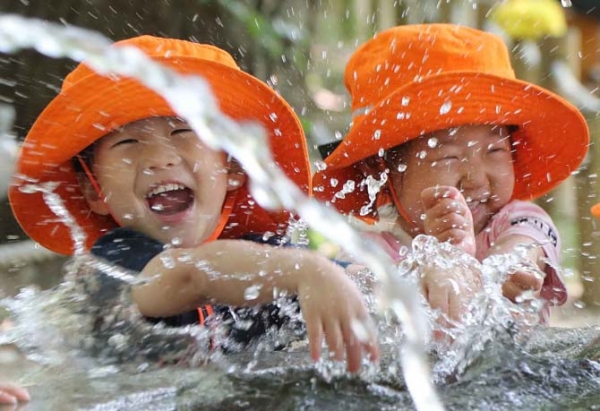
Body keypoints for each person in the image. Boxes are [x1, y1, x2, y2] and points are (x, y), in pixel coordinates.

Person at [8, 35, 378, 372]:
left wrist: (407, 282)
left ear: (231, 166)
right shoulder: (115, 260)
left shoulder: (266, 257)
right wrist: (308, 270)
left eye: (183, 131)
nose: (159, 158)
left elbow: (358, 284)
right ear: (94, 193)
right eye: (127, 143)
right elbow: (192, 274)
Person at [313, 24, 589, 329]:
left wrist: (504, 269)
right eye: (449, 156)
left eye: (494, 150)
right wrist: (434, 265)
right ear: (382, 169)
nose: (477, 179)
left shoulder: (516, 221)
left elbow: (524, 249)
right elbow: (360, 299)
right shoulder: (369, 253)